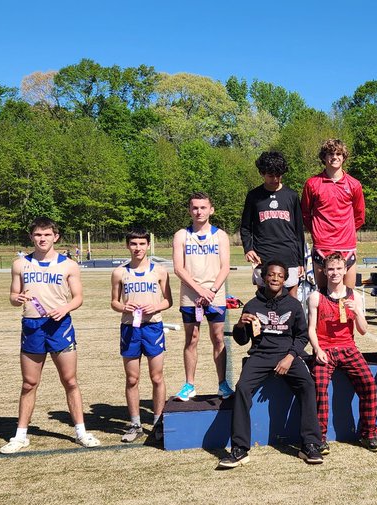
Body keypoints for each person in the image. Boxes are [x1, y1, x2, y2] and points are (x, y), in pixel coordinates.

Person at [0, 218, 100, 453]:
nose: (42, 239)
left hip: (59, 326)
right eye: (37, 235)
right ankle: (21, 435)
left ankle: (81, 432)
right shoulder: (20, 264)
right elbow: (13, 297)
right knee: (29, 383)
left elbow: (78, 297)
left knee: (70, 381)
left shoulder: (68, 265)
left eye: (46, 234)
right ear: (31, 237)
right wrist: (17, 299)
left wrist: (65, 308)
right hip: (32, 327)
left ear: (56, 236)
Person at [221, 261, 324, 467]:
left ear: (285, 279)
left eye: (279, 275)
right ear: (264, 277)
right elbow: (242, 340)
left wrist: (290, 357)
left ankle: (310, 444)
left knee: (308, 385)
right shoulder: (252, 305)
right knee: (241, 388)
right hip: (260, 355)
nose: (275, 278)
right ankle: (240, 449)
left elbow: (302, 336)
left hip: (288, 354)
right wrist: (240, 325)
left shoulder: (293, 305)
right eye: (271, 275)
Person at [307, 253, 377, 453]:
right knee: (319, 387)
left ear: (345, 270)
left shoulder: (355, 295)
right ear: (323, 270)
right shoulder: (316, 296)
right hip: (325, 349)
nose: (335, 273)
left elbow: (363, 330)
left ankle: (369, 433)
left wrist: (357, 311)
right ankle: (319, 437)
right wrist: (317, 349)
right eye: (331, 269)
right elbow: (311, 329)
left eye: (339, 269)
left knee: (369, 384)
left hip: (348, 348)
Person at [110, 227, 173, 442]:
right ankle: (135, 424)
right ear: (128, 245)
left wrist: (156, 307)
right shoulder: (120, 272)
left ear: (148, 245)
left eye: (142, 244)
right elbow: (114, 302)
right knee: (132, 378)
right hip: (130, 329)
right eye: (134, 244)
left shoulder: (159, 271)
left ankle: (157, 422)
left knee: (157, 377)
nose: (138, 248)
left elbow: (168, 301)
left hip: (153, 328)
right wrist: (124, 307)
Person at [172, 192, 232, 401]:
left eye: (203, 207)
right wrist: (199, 290)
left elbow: (225, 267)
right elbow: (178, 268)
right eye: (195, 208)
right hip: (191, 296)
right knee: (192, 339)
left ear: (211, 209)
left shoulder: (221, 235)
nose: (199, 211)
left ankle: (223, 384)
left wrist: (212, 291)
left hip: (214, 295)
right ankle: (189, 385)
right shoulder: (181, 235)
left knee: (218, 338)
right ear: (189, 210)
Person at [301, 138, 366, 293]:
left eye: (339, 153)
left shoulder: (354, 184)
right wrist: (318, 232)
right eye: (330, 153)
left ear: (344, 157)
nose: (335, 157)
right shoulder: (312, 184)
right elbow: (305, 214)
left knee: (347, 296)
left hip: (347, 246)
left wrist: (346, 231)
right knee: (323, 295)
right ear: (324, 157)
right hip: (322, 246)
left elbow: (359, 216)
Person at [240, 150, 306, 296]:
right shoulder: (253, 196)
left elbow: (298, 231)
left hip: (289, 256)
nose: (275, 179)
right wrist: (248, 249)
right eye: (270, 175)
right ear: (262, 173)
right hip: (262, 256)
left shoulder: (292, 196)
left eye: (278, 175)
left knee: (291, 302)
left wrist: (301, 261)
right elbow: (245, 227)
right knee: (264, 300)